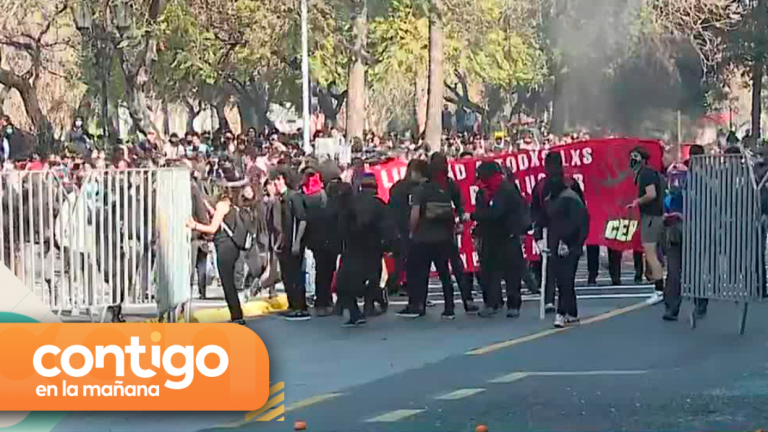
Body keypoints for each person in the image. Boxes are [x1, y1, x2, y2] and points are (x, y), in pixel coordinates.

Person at [186, 168, 255, 325]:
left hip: (224, 248)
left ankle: (237, 316)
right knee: (228, 281)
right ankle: (237, 314)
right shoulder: (231, 205)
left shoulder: (222, 205)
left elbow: (212, 228)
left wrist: (194, 225)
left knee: (227, 283)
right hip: (232, 248)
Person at [397, 154, 462, 319]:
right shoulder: (445, 189)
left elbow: (415, 214)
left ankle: (420, 305)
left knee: (422, 273)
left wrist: (412, 231)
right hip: (444, 237)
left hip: (423, 238)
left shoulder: (420, 190)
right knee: (444, 273)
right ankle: (449, 306)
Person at [472, 161, 529, 318]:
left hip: (508, 234)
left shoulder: (506, 190)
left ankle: (513, 304)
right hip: (490, 236)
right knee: (489, 272)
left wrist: (474, 216)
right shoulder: (483, 192)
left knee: (512, 272)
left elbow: (496, 213)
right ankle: (492, 303)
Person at [337, 173, 394, 326]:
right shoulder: (379, 204)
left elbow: (343, 225)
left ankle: (355, 311)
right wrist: (388, 246)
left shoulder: (353, 202)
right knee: (372, 278)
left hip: (353, 248)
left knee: (345, 282)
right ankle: (370, 305)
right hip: (373, 248)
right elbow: (387, 228)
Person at [530, 152, 584, 313]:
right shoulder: (569, 183)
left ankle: (553, 301)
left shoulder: (544, 185)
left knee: (551, 267)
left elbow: (535, 213)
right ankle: (565, 306)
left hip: (553, 231)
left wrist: (538, 236)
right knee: (563, 271)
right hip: (564, 231)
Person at [545, 172, 590, 327]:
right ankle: (572, 312)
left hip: (570, 244)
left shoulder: (569, 199)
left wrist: (571, 243)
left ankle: (561, 312)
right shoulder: (556, 198)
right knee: (564, 279)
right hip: (559, 243)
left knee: (566, 278)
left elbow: (579, 224)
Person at [269, 165, 310, 321]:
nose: (276, 184)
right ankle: (292, 305)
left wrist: (297, 241)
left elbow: (302, 220)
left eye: (278, 180)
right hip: (285, 244)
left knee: (295, 276)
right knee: (287, 275)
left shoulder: (294, 197)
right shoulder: (282, 199)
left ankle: (300, 307)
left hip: (294, 242)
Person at [627, 146, 665, 304]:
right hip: (653, 216)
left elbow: (651, 194)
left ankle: (659, 290)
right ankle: (660, 288)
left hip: (651, 217)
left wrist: (637, 202)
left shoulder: (646, 174)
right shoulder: (646, 173)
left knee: (650, 254)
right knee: (651, 254)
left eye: (634, 156)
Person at [387, 160, 428, 295]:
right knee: (416, 261)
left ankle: (395, 283)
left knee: (401, 258)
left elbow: (391, 208)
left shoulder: (397, 187)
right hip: (416, 227)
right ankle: (410, 286)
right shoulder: (421, 189)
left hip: (399, 226)